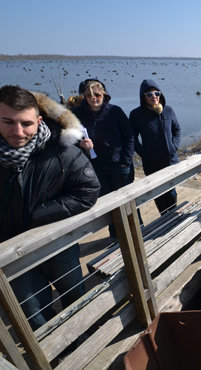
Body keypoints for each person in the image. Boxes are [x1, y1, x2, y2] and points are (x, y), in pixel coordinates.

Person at [0, 85, 100, 330]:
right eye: (8, 122)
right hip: (11, 253)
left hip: (57, 245)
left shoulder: (63, 151)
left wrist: (38, 215)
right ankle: (53, 355)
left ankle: (84, 335)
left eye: (26, 123)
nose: (17, 131)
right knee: (34, 312)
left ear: (39, 120)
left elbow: (88, 191)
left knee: (75, 294)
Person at [72, 79, 135, 236]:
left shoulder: (115, 112)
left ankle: (136, 231)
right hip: (96, 167)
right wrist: (80, 143)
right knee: (107, 203)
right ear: (84, 96)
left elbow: (130, 137)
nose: (94, 98)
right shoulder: (76, 115)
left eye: (97, 94)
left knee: (127, 201)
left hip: (119, 165)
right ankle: (116, 235)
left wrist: (125, 161)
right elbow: (67, 139)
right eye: (89, 95)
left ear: (104, 95)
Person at [130, 79, 181, 215]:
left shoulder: (168, 110)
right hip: (152, 163)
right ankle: (164, 217)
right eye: (149, 94)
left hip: (171, 161)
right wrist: (144, 154)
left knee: (171, 190)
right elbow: (132, 138)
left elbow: (177, 129)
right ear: (143, 97)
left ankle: (174, 215)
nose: (154, 97)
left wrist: (174, 146)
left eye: (157, 93)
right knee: (158, 194)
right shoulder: (136, 115)